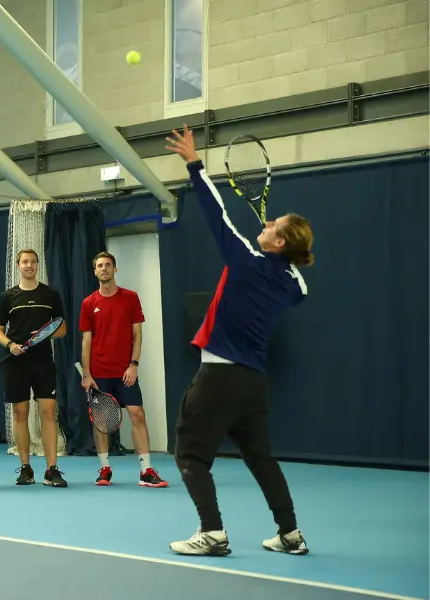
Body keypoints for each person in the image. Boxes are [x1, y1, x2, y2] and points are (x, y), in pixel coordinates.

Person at [164, 125, 313, 556]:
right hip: (252, 385)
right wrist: (287, 257)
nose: (265, 224)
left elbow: (217, 215)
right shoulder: (291, 284)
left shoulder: (248, 261)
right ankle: (290, 534)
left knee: (190, 454)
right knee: (261, 458)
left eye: (273, 225)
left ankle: (212, 533)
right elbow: (302, 283)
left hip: (219, 377)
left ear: (278, 241)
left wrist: (194, 163)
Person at [78, 251, 168, 488]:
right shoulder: (89, 303)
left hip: (125, 372)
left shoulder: (130, 298)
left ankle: (146, 470)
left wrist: (134, 364)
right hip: (99, 374)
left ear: (115, 269)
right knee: (101, 421)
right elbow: (86, 341)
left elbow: (137, 334)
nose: (104, 269)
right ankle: (104, 469)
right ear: (95, 271)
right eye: (100, 266)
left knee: (137, 414)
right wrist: (87, 374)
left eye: (108, 265)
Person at [0, 249, 68, 487]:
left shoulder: (50, 295)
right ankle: (26, 468)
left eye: (33, 262)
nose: (29, 265)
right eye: (24, 262)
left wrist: (46, 334)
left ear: (37, 265)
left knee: (48, 413)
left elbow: (63, 329)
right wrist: (10, 344)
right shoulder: (8, 297)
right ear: (18, 265)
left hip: (43, 362)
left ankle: (51, 469)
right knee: (20, 414)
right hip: (16, 363)